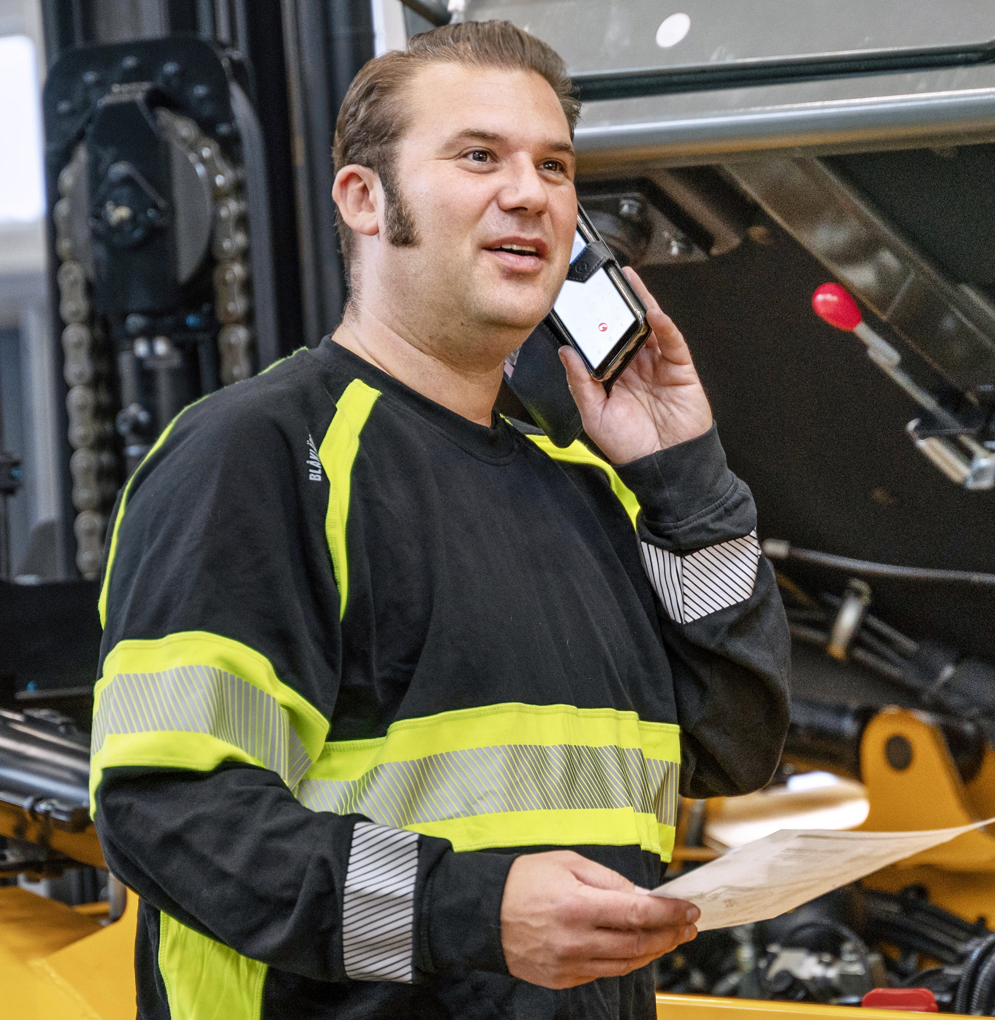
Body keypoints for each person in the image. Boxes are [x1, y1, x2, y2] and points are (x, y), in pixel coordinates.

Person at [88, 20, 790, 1020]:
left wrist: (685, 475)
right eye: (478, 156)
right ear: (363, 199)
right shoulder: (259, 457)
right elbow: (176, 818)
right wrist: (470, 912)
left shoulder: (581, 479)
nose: (531, 195)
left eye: (554, 166)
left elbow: (733, 744)